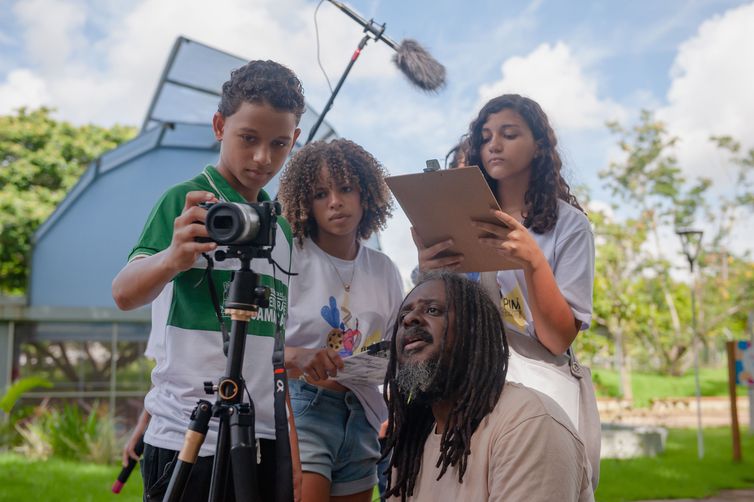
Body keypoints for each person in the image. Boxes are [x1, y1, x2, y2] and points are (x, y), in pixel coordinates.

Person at [112, 59, 304, 502]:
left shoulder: (283, 229)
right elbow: (124, 294)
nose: (263, 158)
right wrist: (172, 259)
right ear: (219, 126)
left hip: (263, 436)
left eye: (278, 143)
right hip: (187, 432)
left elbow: (274, 348)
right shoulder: (186, 202)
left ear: (295, 140)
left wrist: (289, 443)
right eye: (248, 138)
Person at [383, 272, 593, 501]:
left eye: (433, 310)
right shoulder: (414, 439)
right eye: (404, 314)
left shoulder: (529, 423)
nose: (409, 319)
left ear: (472, 331)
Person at [278, 138, 404, 502]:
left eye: (346, 188)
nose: (335, 201)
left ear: (366, 195)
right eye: (320, 194)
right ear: (305, 203)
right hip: (303, 408)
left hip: (363, 413)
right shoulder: (288, 258)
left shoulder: (383, 269)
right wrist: (299, 356)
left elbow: (397, 348)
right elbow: (255, 344)